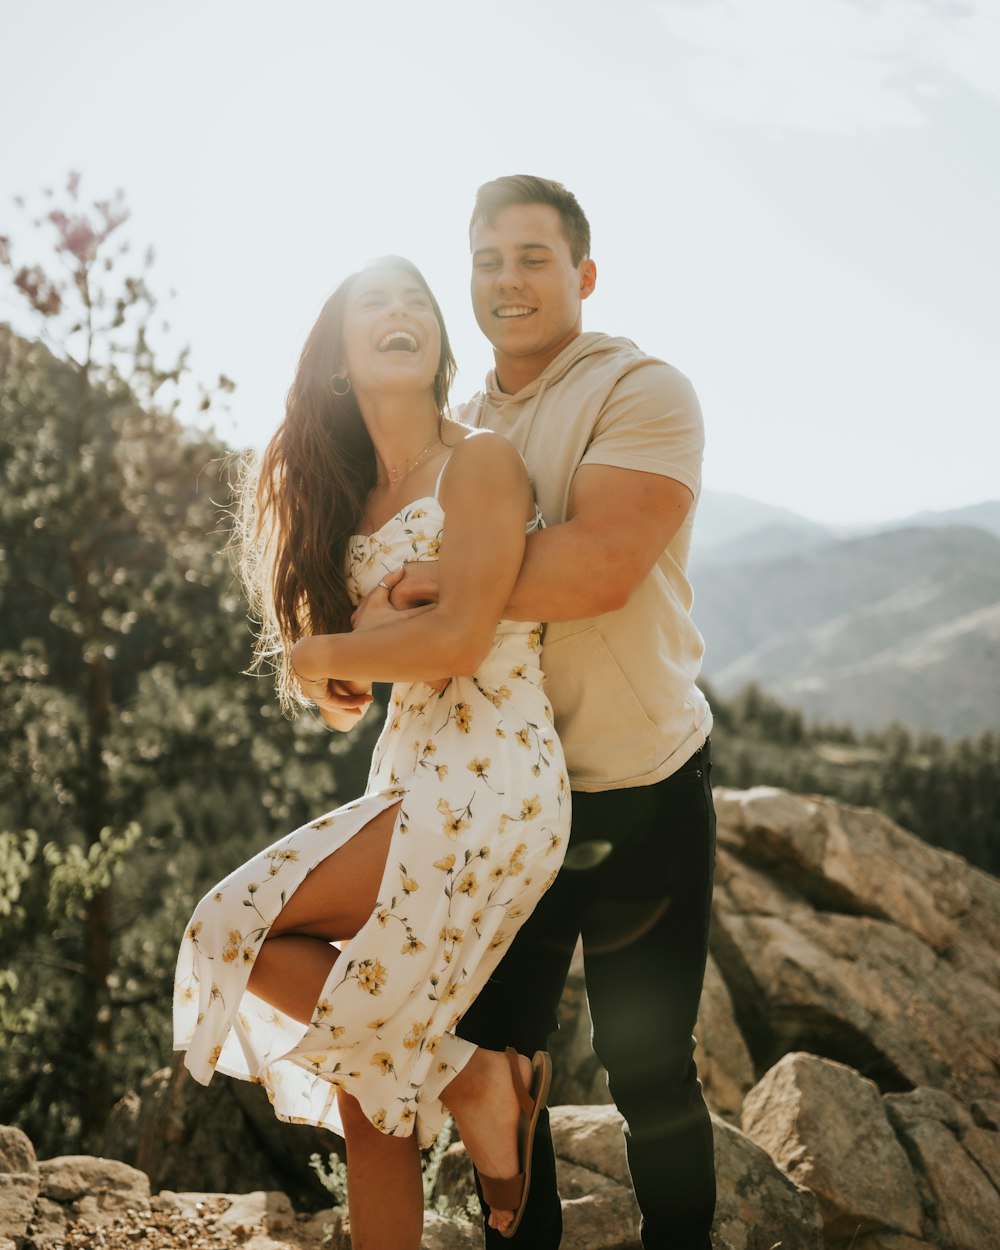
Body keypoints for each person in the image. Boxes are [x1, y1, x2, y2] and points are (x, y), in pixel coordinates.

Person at [172, 255, 570, 1250]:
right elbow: (343, 700)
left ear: (437, 343)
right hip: (409, 772)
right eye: (373, 306)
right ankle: (472, 1075)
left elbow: (461, 640)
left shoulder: (479, 461)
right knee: (367, 1076)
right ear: (341, 364)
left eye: (415, 303)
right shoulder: (349, 500)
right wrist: (349, 643)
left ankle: (475, 1076)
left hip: (496, 777)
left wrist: (334, 642)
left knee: (230, 926)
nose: (400, 312)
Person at [382, 178, 717, 1249]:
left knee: (650, 1067)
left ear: (581, 275)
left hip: (643, 787)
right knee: (493, 1072)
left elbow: (601, 566)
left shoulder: (641, 389)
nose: (507, 280)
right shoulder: (451, 425)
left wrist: (444, 584)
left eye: (531, 257)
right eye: (487, 259)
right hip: (500, 808)